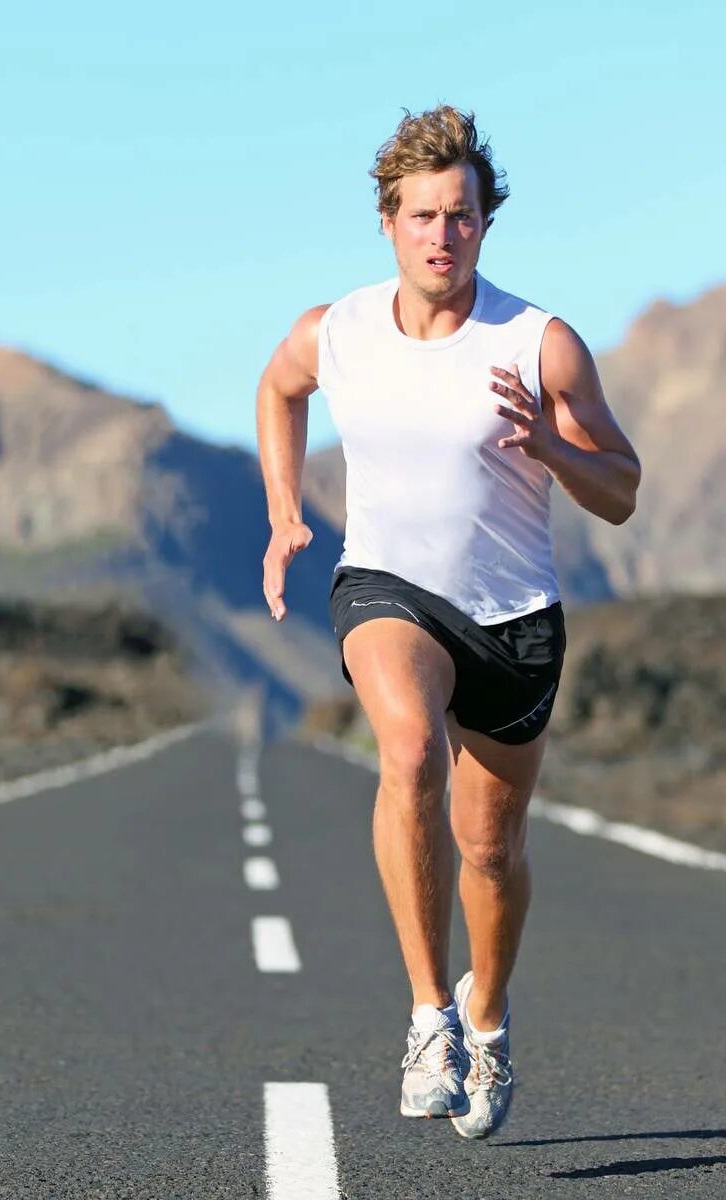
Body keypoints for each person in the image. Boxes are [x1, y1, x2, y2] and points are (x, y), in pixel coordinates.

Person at [254, 105, 640, 1139]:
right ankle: (430, 1015)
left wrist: (552, 452)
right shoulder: (336, 331)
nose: (441, 235)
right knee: (411, 752)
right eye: (422, 215)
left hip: (514, 618)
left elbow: (623, 488)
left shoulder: (538, 343)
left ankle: (489, 1012)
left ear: (484, 223)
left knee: (490, 849)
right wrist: (288, 510)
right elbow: (278, 387)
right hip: (388, 587)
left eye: (460, 216)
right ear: (389, 222)